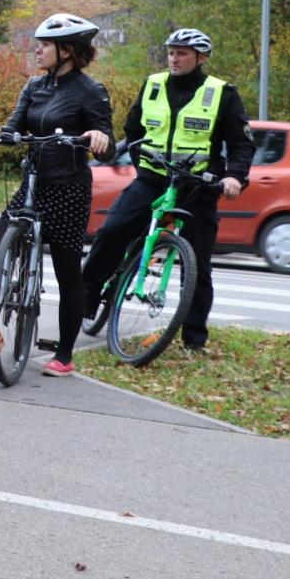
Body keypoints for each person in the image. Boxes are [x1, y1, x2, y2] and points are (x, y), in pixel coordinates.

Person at [81, 28, 253, 351]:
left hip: (198, 186)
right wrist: (141, 164)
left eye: (182, 53)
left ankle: (194, 340)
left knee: (198, 265)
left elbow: (242, 144)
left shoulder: (221, 93)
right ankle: (86, 300)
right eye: (171, 52)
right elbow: (134, 131)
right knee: (113, 230)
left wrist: (235, 177)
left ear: (200, 58)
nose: (174, 58)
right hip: (152, 179)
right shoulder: (153, 84)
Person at [0, 14, 114, 375]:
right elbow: (16, 127)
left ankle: (64, 353)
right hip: (32, 186)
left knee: (67, 271)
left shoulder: (91, 90)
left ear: (68, 51)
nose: (38, 49)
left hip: (69, 190)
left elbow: (106, 145)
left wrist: (99, 138)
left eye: (45, 44)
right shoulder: (34, 87)